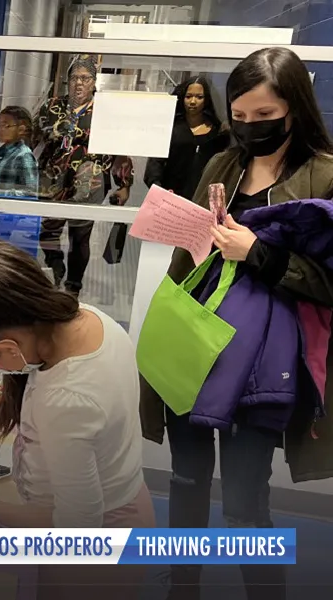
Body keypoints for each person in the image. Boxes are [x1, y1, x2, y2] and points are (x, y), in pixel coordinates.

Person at [141, 47, 333, 600]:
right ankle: (183, 587)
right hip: (197, 343)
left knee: (247, 502)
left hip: (265, 365)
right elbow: (195, 253)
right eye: (241, 118)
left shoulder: (325, 175)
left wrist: (260, 254)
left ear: (295, 108)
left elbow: (328, 282)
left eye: (264, 118)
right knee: (185, 481)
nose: (250, 129)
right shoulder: (224, 163)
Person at [0, 234, 153, 600]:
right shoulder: (85, 320)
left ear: (7, 346)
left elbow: (77, 530)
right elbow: (54, 385)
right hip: (121, 501)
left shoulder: (66, 403)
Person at [30, 55, 134, 296]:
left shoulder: (107, 112)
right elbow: (33, 138)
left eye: (85, 78)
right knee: (47, 231)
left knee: (80, 237)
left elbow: (121, 151)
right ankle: (55, 265)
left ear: (94, 81)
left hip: (89, 183)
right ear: (67, 80)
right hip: (51, 180)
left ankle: (73, 286)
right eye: (74, 77)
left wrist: (124, 184)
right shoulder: (52, 106)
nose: (79, 83)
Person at [143, 75, 230, 201]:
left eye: (199, 97)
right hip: (169, 198)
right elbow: (154, 165)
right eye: (188, 96)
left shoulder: (217, 133)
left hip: (203, 199)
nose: (193, 101)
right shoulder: (170, 129)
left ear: (207, 99)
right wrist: (160, 192)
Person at [0, 105, 38, 199]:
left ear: (21, 129)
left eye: (5, 125)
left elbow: (30, 193)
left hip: (9, 211)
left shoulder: (24, 155)